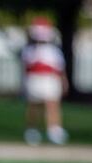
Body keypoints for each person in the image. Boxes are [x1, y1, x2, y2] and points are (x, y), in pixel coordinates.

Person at [21, 17, 69, 145]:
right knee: (34, 106)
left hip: (50, 79)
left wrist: (64, 82)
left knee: (52, 104)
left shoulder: (54, 51)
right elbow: (25, 68)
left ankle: (54, 130)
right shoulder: (29, 50)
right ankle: (32, 131)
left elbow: (60, 69)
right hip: (35, 79)